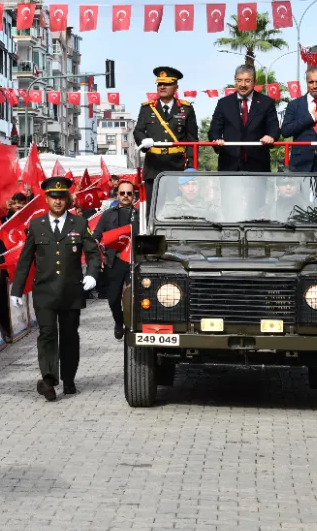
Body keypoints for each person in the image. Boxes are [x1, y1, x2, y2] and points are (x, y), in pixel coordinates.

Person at [10, 177, 102, 400]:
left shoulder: (79, 223)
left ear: (67, 199)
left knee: (69, 336)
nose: (58, 201)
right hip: (44, 291)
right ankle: (49, 380)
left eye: (61, 197)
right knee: (47, 334)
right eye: (53, 197)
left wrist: (92, 274)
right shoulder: (36, 225)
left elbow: (93, 253)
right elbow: (25, 259)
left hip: (71, 291)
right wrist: (16, 290)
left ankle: (69, 379)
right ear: (46, 199)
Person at [134, 67, 199, 200]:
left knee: (176, 206)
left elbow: (192, 139)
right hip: (154, 165)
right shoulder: (147, 108)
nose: (162, 87)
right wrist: (143, 141)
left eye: (167, 84)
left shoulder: (186, 108)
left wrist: (190, 168)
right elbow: (138, 130)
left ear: (176, 87)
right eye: (159, 84)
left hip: (177, 165)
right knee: (153, 207)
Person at [209, 65, 281, 171]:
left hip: (258, 165)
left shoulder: (266, 102)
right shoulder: (223, 103)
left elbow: (274, 128)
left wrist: (270, 136)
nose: (243, 85)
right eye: (239, 80)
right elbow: (214, 129)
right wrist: (217, 139)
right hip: (229, 164)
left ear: (254, 82)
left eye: (247, 81)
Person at [93, 179, 137, 340]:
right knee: (113, 299)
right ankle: (119, 322)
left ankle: (132, 325)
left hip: (134, 262)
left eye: (129, 193)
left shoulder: (141, 215)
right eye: (122, 193)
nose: (126, 196)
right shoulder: (107, 215)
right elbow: (96, 235)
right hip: (114, 262)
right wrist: (96, 253)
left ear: (134, 196)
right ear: (117, 195)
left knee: (134, 297)